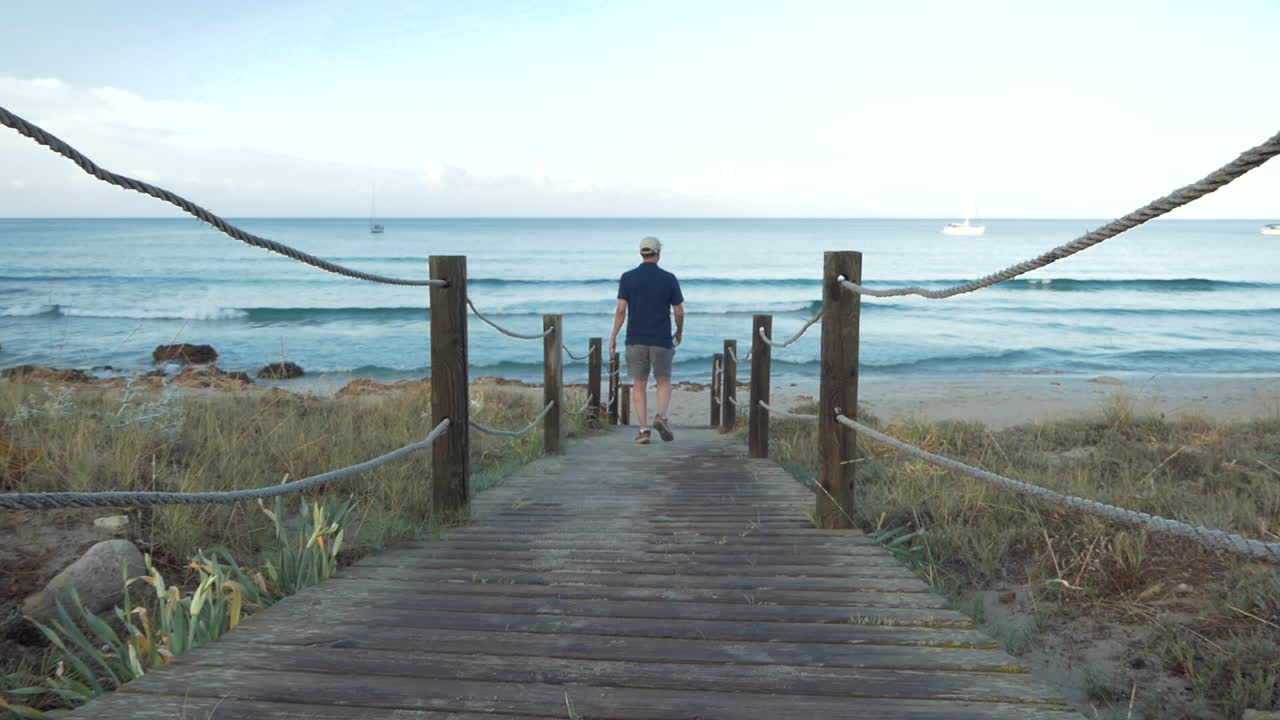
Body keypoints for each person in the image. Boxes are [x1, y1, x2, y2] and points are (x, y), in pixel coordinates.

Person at [608, 236, 684, 444]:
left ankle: (643, 431)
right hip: (661, 340)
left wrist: (613, 337)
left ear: (641, 253)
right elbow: (679, 312)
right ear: (658, 253)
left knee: (639, 385)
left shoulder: (627, 277)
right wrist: (679, 331)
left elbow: (621, 310)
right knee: (664, 381)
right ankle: (660, 416)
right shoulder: (669, 278)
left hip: (635, 340)